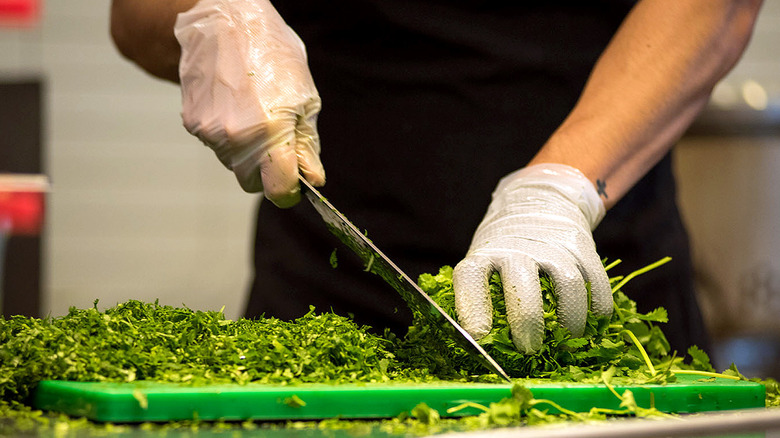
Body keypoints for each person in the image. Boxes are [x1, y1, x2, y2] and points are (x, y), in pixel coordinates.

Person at [110, 0, 763, 355]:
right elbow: (136, 14)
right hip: (324, 315)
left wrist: (560, 186)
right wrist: (212, 19)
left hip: (589, 300)